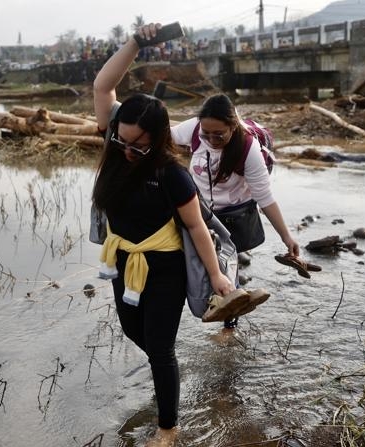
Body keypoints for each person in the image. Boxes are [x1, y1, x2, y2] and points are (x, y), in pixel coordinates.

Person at [92, 23, 241, 447]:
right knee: (133, 331)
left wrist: (217, 277)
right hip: (124, 262)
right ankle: (170, 369)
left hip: (165, 270)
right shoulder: (116, 147)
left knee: (159, 347)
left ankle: (168, 428)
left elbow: (196, 227)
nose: (126, 150)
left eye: (137, 145)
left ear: (156, 139)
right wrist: (137, 42)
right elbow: (104, 87)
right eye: (121, 140)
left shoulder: (171, 174)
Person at [170, 93, 301, 330]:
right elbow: (163, 136)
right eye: (205, 134)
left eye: (218, 134)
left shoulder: (248, 149)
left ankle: (230, 325)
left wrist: (286, 236)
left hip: (233, 214)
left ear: (233, 126)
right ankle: (207, 304)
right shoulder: (194, 129)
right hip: (199, 210)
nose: (210, 139)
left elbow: (265, 197)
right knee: (196, 262)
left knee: (228, 267)